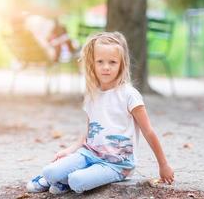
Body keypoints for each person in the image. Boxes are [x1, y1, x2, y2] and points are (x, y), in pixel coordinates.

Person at [26, 31, 174, 195]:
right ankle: (55, 178)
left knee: (77, 180)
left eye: (112, 62)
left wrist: (163, 164)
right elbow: (90, 131)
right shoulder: (92, 94)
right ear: (93, 64)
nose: (106, 67)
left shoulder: (129, 95)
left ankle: (65, 181)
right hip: (88, 153)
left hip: (116, 164)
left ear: (121, 64)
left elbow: (149, 131)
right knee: (49, 171)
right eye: (100, 62)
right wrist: (71, 149)